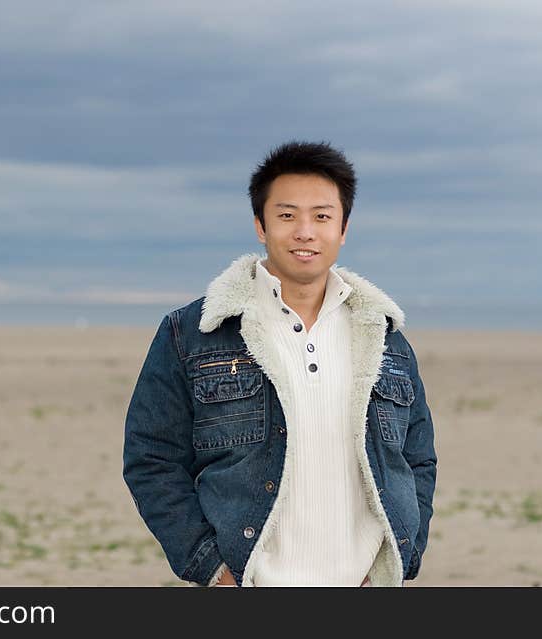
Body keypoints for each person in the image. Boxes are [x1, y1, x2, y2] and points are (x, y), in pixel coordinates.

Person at [122, 140, 437, 587]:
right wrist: (214, 570)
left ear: (343, 228)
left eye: (322, 216)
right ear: (260, 225)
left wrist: (398, 558)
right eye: (287, 215)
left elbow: (417, 460)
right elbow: (150, 458)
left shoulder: (385, 337)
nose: (305, 232)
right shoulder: (192, 332)